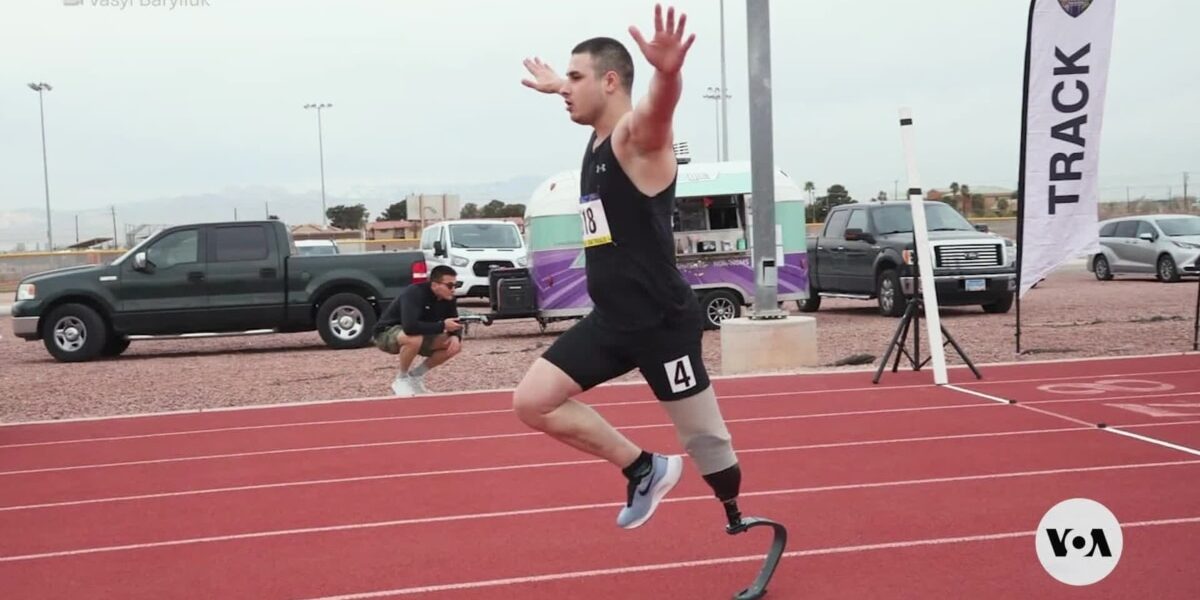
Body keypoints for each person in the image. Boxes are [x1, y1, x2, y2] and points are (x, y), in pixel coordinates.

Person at [514, 4, 746, 531]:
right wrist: (557, 85)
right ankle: (644, 467)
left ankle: (735, 510)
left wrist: (667, 73)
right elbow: (592, 97)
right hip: (613, 321)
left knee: (707, 443)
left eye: (576, 77)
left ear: (611, 81)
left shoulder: (634, 141)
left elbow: (656, 114)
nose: (566, 88)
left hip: (662, 325)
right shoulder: (595, 139)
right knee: (532, 402)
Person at [373, 265, 463, 396]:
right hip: (387, 333)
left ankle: (415, 376)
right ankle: (401, 379)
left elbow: (454, 322)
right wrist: (442, 326)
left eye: (456, 285)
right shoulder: (414, 293)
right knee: (414, 339)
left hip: (419, 333)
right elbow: (410, 327)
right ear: (435, 285)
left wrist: (455, 336)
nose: (453, 289)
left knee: (454, 345)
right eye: (449, 286)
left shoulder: (448, 299)